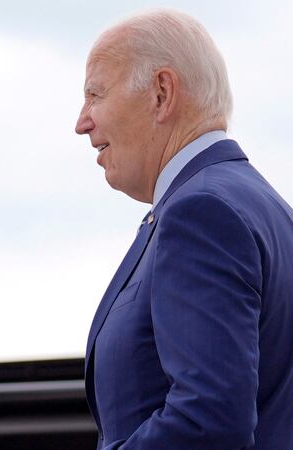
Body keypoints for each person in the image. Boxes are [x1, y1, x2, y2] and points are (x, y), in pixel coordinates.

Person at [75, 9, 293, 450]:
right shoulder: (267, 208)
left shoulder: (201, 214)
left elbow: (207, 422)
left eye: (95, 95)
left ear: (161, 93)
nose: (82, 122)